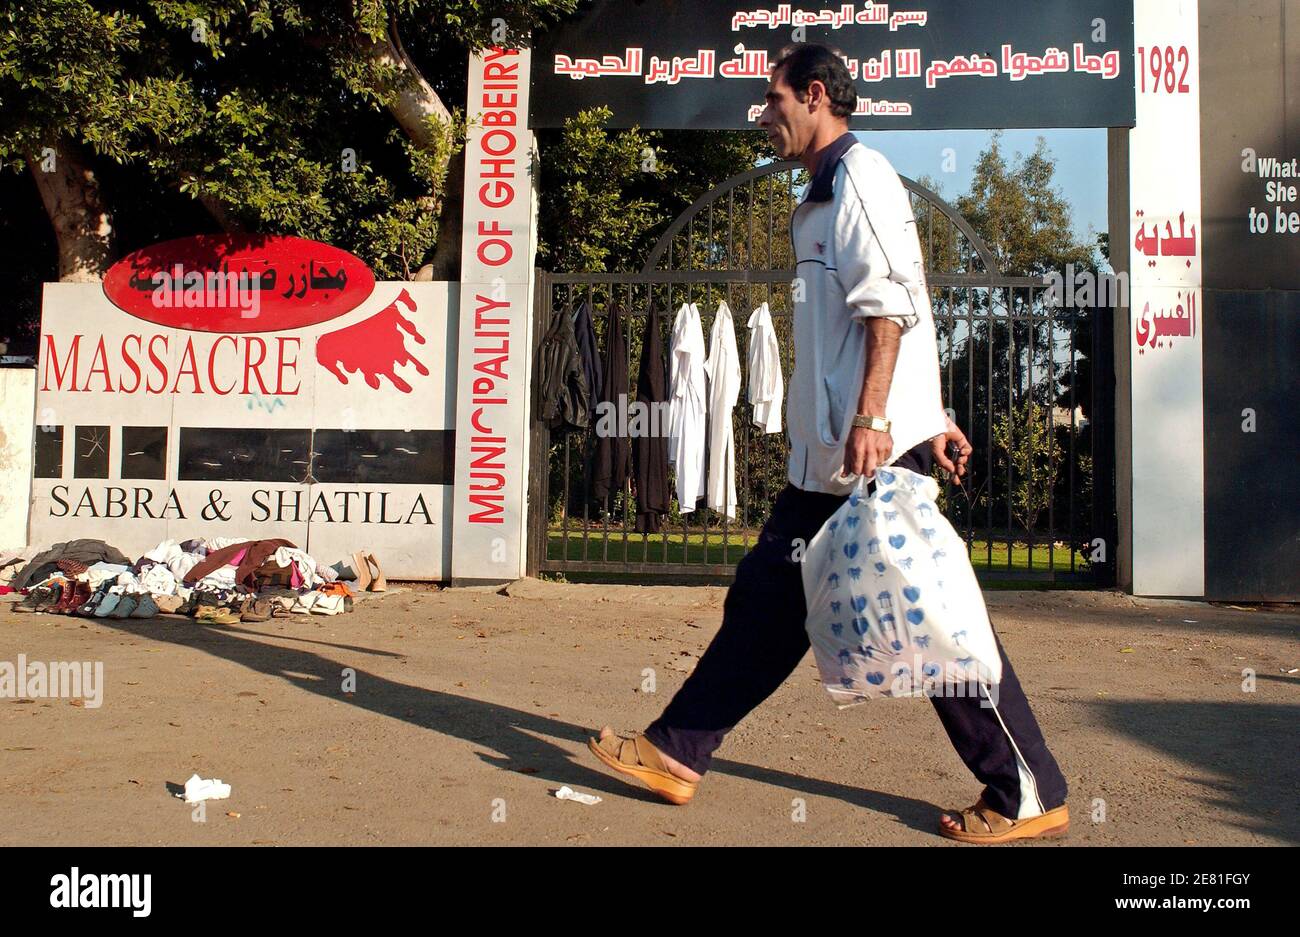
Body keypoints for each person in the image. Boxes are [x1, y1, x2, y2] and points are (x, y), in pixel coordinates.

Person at [587, 44, 1069, 843]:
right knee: (768, 602)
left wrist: (885, 418)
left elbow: (890, 311)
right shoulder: (821, 195)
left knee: (934, 625)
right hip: (835, 455)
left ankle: (1026, 788)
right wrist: (934, 410)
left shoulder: (860, 179)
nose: (763, 111)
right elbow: (902, 304)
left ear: (815, 96)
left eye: (772, 97)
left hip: (866, 449)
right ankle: (676, 751)